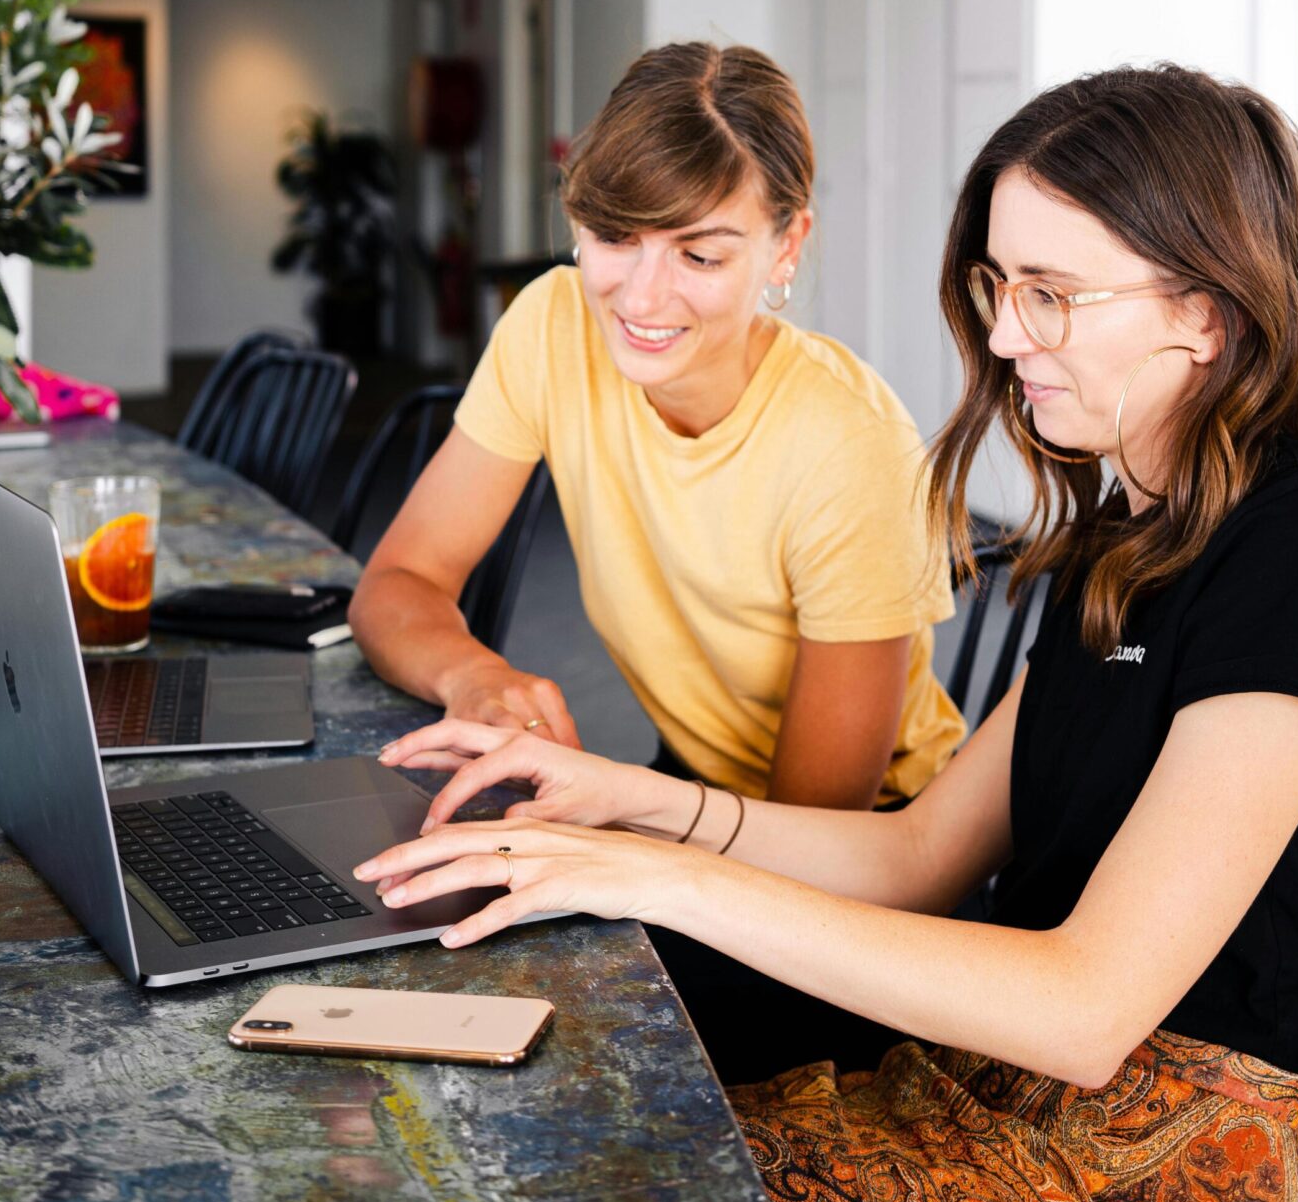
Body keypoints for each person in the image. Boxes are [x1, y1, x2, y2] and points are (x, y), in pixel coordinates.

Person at [352, 64, 1298, 1202]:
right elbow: (923, 852)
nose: (1005, 335)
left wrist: (655, 874)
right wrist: (626, 805)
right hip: (979, 1104)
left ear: (1202, 316)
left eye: (1053, 295)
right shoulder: (1131, 541)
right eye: (996, 286)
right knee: (482, 1188)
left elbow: (1090, 1011)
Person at [350, 41, 963, 815]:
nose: (641, 299)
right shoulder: (552, 323)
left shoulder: (851, 448)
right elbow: (397, 583)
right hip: (692, 783)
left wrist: (617, 811)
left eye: (699, 256)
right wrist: (472, 675)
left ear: (787, 247)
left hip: (866, 851)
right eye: (614, 238)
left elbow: (816, 835)